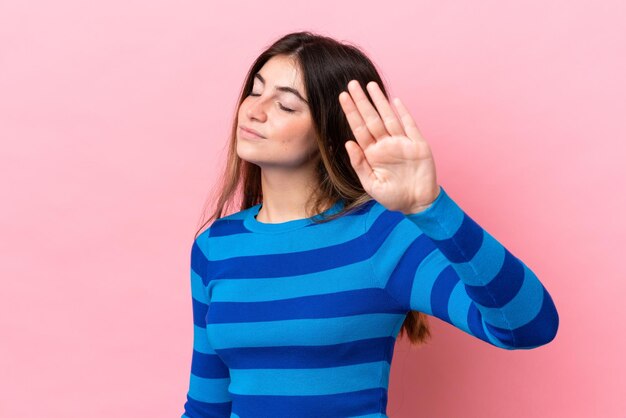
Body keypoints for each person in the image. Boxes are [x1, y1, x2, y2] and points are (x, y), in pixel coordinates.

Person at [180, 31, 559, 418]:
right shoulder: (215, 246)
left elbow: (528, 326)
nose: (254, 110)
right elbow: (206, 407)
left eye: (286, 106)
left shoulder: (380, 235)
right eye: (255, 91)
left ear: (331, 135)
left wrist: (433, 207)